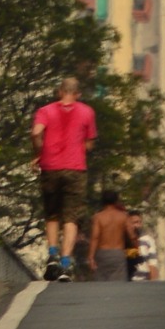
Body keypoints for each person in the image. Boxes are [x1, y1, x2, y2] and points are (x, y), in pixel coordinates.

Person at [32, 77, 98, 282]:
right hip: (75, 169)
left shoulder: (45, 111)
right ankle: (65, 263)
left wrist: (39, 152)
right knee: (71, 217)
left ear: (59, 91)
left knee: (52, 214)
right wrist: (77, 148)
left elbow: (36, 132)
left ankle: (52, 255)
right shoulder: (87, 112)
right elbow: (89, 144)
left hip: (50, 167)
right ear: (78, 94)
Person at [87, 191, 135, 282]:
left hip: (102, 253)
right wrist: (136, 247)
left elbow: (95, 237)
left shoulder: (98, 217)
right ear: (116, 201)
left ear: (102, 201)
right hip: (118, 253)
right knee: (118, 285)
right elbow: (131, 235)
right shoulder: (123, 216)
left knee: (101, 284)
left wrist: (91, 257)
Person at [127, 212, 158, 281]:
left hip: (144, 281)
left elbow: (152, 264)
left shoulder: (147, 240)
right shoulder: (124, 241)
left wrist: (153, 282)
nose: (138, 225)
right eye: (135, 222)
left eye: (140, 222)